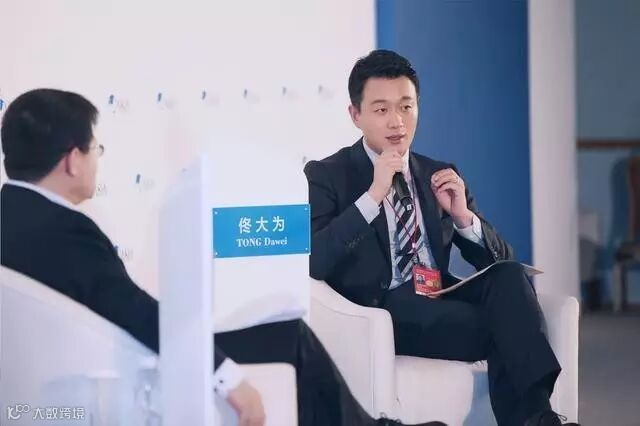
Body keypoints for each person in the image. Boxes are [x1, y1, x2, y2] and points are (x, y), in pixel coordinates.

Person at [0, 88, 446, 426]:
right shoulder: (65, 230)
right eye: (95, 150)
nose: (97, 161)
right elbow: (131, 308)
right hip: (123, 364)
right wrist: (226, 376)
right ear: (72, 160)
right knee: (287, 333)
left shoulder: (13, 216)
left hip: (80, 365)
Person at [304, 50, 579, 426]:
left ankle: (538, 416)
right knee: (513, 328)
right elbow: (315, 260)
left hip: (439, 295)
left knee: (510, 275)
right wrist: (372, 197)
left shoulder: (438, 172)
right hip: (385, 308)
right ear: (356, 115)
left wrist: (463, 218)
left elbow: (500, 260)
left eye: (406, 106)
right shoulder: (327, 175)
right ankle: (537, 417)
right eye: (382, 110)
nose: (397, 121)